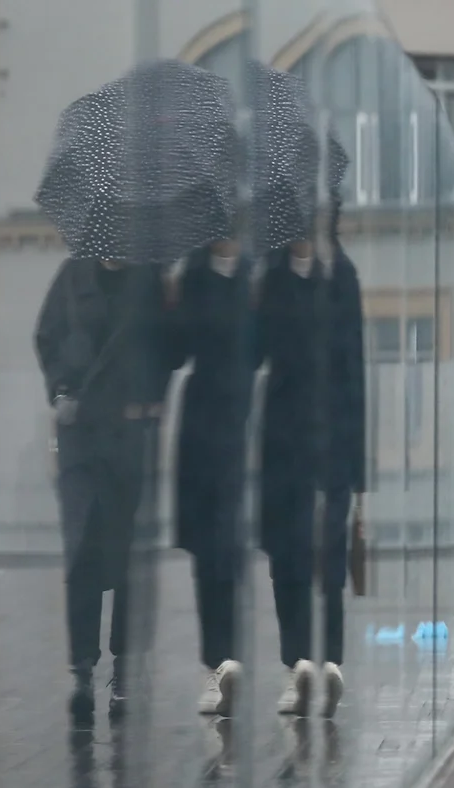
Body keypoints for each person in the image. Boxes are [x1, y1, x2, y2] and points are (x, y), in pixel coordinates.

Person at [35, 255, 179, 722]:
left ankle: (124, 666)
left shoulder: (149, 278)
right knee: (81, 548)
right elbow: (47, 336)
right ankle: (81, 667)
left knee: (125, 556)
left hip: (128, 435)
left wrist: (151, 397)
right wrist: (59, 391)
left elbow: (169, 353)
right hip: (80, 437)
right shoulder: (72, 276)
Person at [257, 234, 366, 718]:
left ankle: (331, 663)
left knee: (330, 555)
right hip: (283, 443)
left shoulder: (342, 278)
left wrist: (360, 470)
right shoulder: (271, 282)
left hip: (334, 442)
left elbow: (355, 372)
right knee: (288, 559)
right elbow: (254, 354)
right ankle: (295, 665)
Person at [170, 238, 257, 716]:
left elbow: (263, 349)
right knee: (209, 551)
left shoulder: (253, 277)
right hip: (201, 425)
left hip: (243, 424)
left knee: (231, 550)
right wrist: (172, 305)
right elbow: (176, 350)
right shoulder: (192, 274)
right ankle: (216, 665)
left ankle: (232, 657)